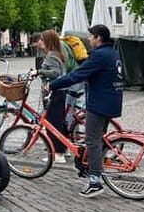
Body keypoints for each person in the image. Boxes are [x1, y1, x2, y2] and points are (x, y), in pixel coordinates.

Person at [49, 24, 124, 197]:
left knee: (92, 141)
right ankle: (94, 166)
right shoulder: (112, 53)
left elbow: (77, 75)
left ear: (98, 37)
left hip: (99, 103)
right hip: (112, 100)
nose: (88, 39)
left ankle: (95, 181)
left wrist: (53, 84)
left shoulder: (99, 55)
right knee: (98, 139)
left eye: (90, 36)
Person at [32, 30, 69, 164]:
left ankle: (58, 153)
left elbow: (55, 72)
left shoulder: (51, 55)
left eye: (42, 39)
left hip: (54, 93)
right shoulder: (57, 53)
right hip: (59, 92)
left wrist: (39, 71)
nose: (40, 42)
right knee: (58, 122)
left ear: (48, 41)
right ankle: (61, 150)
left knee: (52, 123)